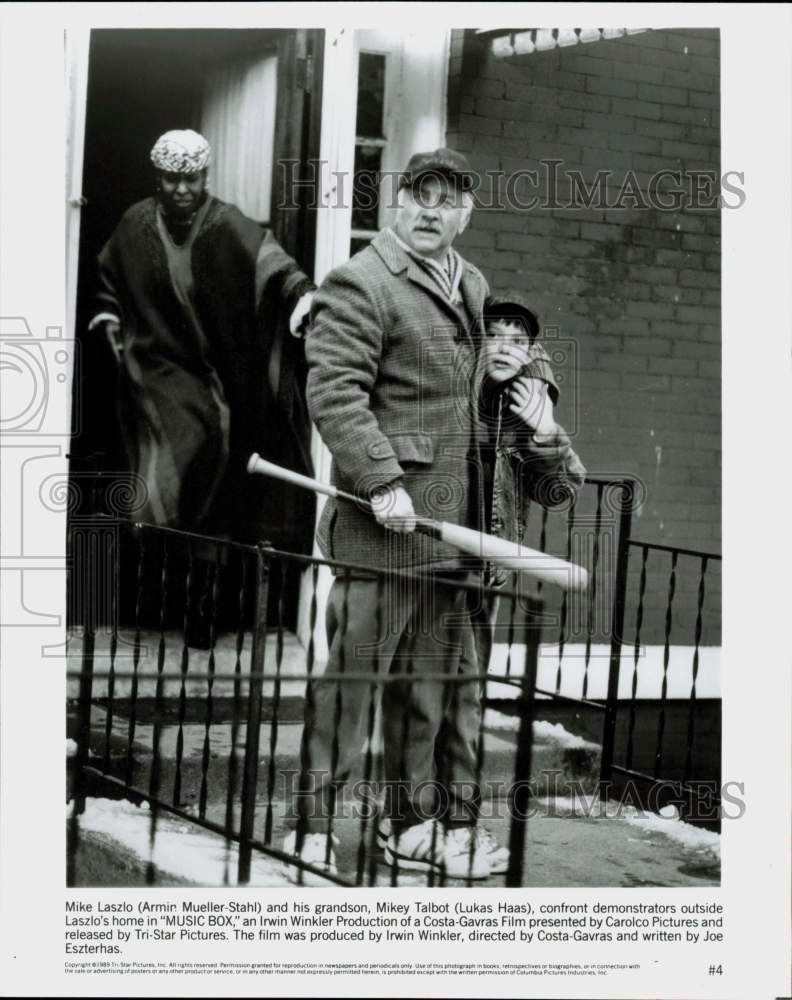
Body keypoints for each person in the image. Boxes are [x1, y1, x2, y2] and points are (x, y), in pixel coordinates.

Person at [285, 148, 506, 882]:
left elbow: (475, 396)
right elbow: (336, 393)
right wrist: (380, 479)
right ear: (396, 202)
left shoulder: (473, 284)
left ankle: (411, 828)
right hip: (383, 527)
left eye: (445, 200)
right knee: (351, 689)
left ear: (465, 213)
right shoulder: (362, 280)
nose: (429, 211)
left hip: (449, 532)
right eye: (418, 195)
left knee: (430, 695)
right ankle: (311, 828)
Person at [88, 129, 316, 554]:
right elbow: (109, 278)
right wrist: (107, 312)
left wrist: (302, 292)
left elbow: (268, 257)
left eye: (191, 179)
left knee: (217, 432)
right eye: (171, 180)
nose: (181, 189)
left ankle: (194, 554)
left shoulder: (223, 220)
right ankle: (153, 546)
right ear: (157, 178)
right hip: (150, 363)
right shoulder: (135, 222)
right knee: (176, 444)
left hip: (208, 364)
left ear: (205, 177)